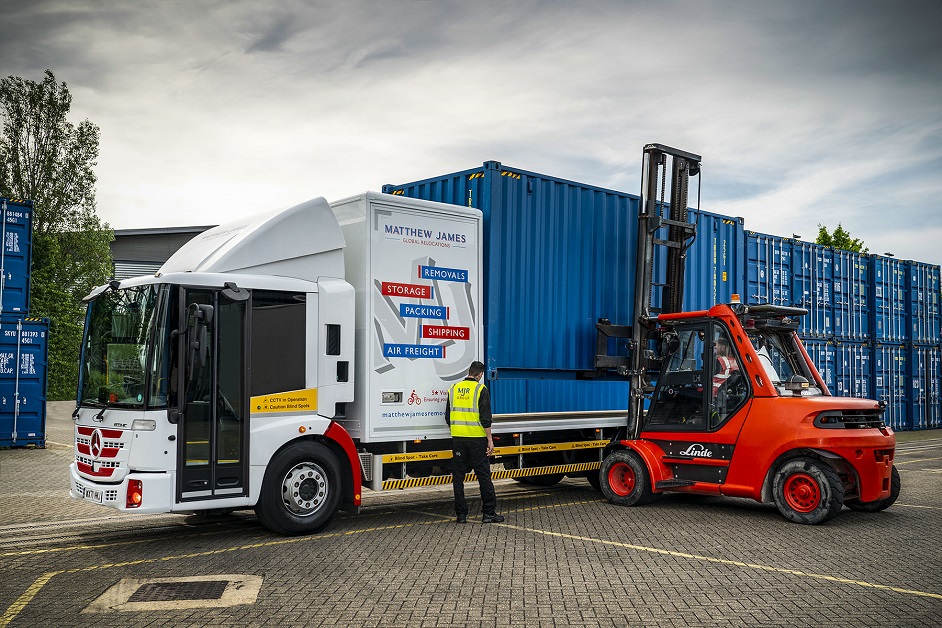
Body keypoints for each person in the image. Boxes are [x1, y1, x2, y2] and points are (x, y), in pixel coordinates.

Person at [445, 360, 504, 524]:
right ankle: (489, 513)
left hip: (458, 440)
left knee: (458, 478)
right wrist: (490, 440)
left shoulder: (454, 389)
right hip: (477, 440)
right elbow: (486, 419)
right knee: (483, 476)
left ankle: (461, 515)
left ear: (469, 371)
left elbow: (447, 417)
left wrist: (458, 430)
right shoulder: (480, 389)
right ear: (480, 375)